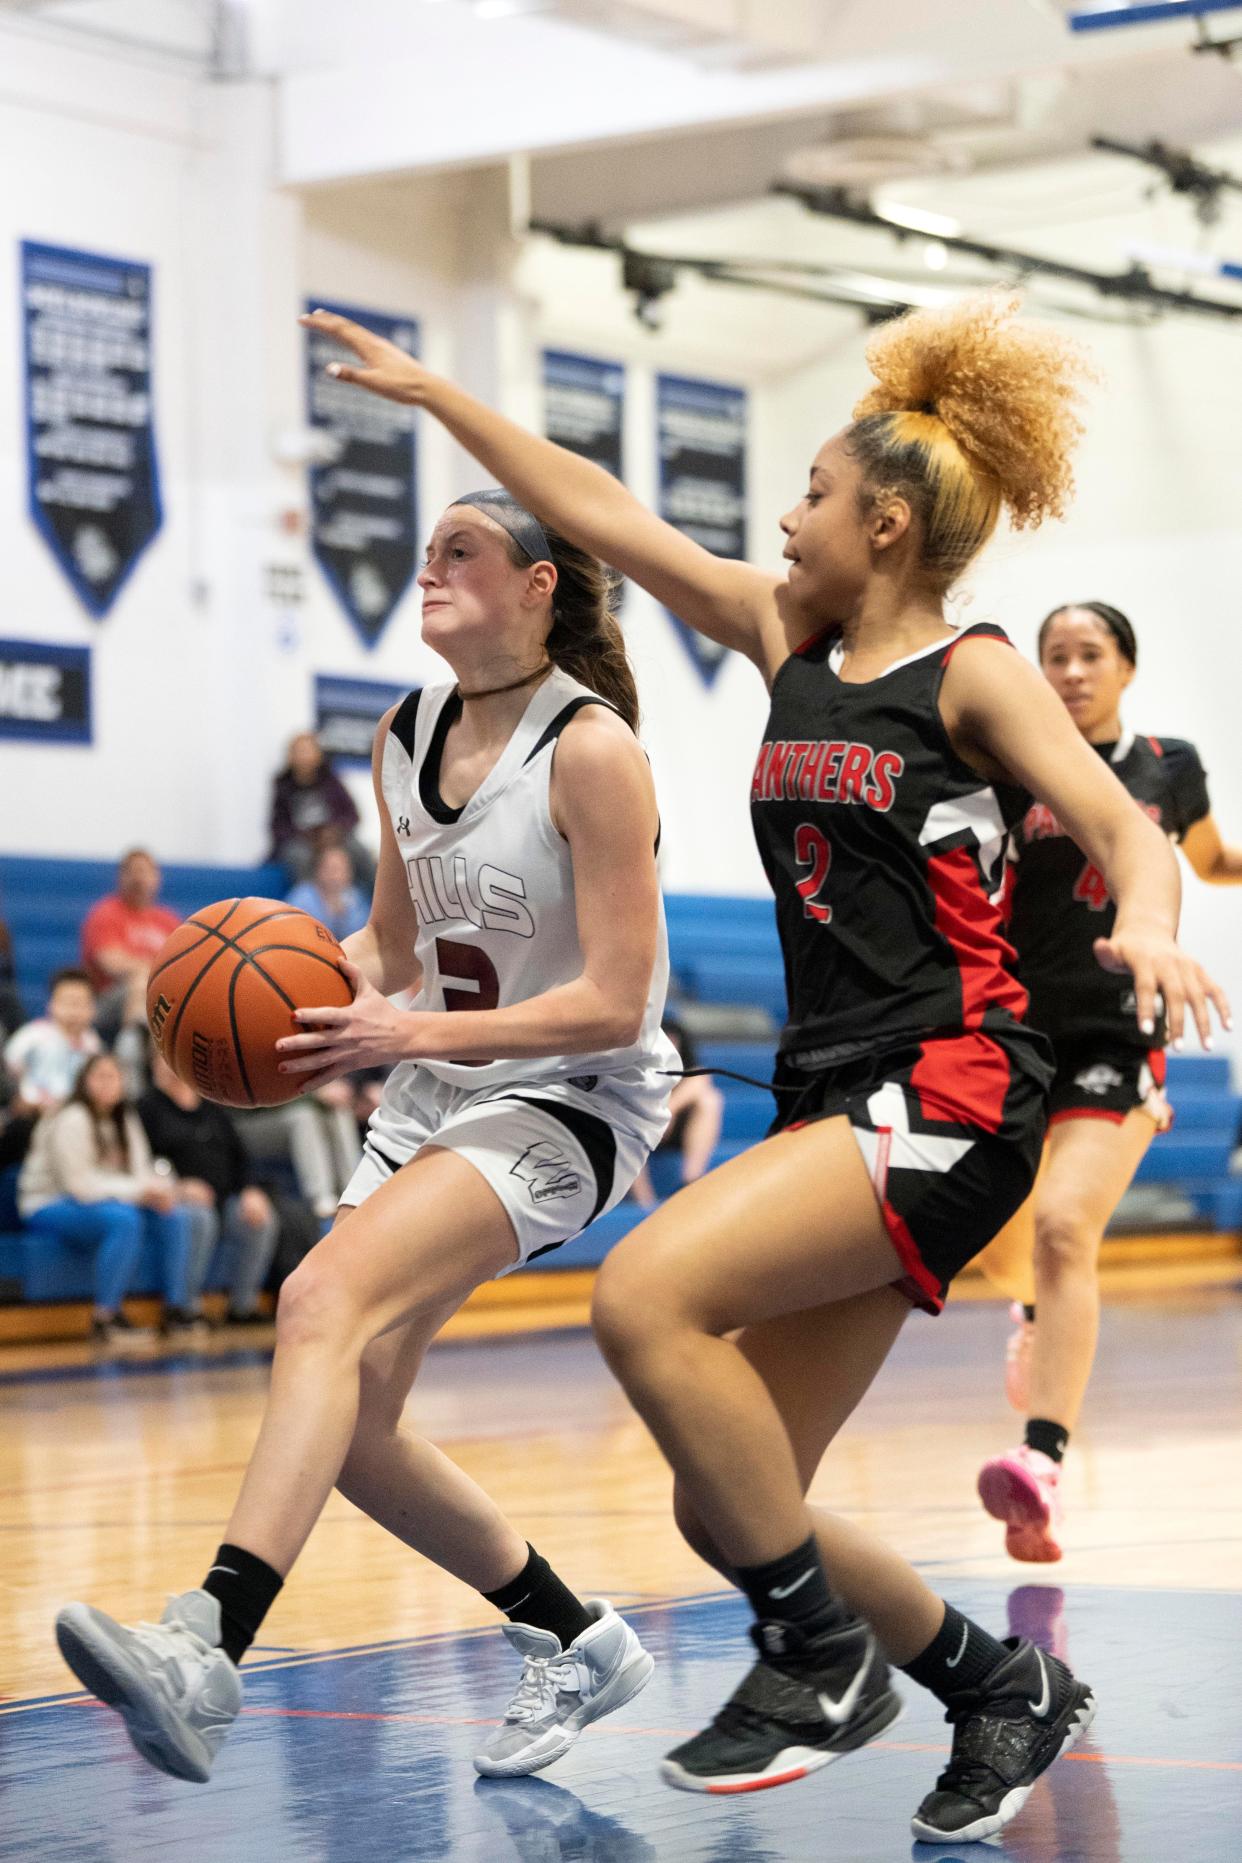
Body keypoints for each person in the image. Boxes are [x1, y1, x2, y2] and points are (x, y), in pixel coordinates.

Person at [270, 297, 1230, 1844]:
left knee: (640, 1296)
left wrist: (1151, 927)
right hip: (835, 1091)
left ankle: (815, 1657)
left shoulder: (972, 673)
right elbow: (602, 514)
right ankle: (997, 1687)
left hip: (954, 1078)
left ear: (887, 522)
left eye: (809, 498)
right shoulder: (791, 638)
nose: (783, 522)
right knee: (726, 1495)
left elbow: (1124, 831)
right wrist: (440, 392)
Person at [56, 458, 677, 1788]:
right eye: (426, 551)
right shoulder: (402, 732)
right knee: (351, 1421)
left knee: (315, 1299)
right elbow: (389, 946)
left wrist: (410, 1033)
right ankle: (574, 1634)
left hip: (569, 1097)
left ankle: (204, 1643)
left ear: (535, 584)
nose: (428, 566)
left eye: (461, 549)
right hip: (434, 1083)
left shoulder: (595, 750)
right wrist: (235, 1012)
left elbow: (617, 1000)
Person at [974, 601, 1242, 1562]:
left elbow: (1208, 862)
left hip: (1119, 1031)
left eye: (1091, 655)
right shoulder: (1007, 770)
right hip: (1012, 1032)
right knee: (998, 1234)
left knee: (1062, 1226)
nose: (1073, 671)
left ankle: (1039, 1465)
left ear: (1126, 667)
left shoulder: (1168, 764)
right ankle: (1036, 1318)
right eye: (1056, 657)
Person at [18, 1052, 196, 1344]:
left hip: (106, 1200)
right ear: (84, 1081)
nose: (107, 1083)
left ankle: (176, 1309)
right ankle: (105, 1318)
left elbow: (141, 1171)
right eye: (99, 1076)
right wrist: (140, 1192)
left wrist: (160, 1191)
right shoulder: (71, 1117)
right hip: (48, 1204)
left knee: (173, 1215)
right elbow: (79, 1186)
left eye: (113, 1076)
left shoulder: (125, 1116)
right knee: (124, 1220)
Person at [138, 1054, 280, 1328]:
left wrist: (250, 1190)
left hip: (223, 1197)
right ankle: (183, 1308)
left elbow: (240, 1156)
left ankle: (242, 1306)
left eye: (172, 1058)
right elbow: (143, 1159)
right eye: (160, 1060)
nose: (167, 1066)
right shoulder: (147, 1108)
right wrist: (178, 1187)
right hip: (175, 1197)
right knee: (200, 1217)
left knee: (260, 1219)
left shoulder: (212, 1107)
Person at [79, 850, 180, 1042]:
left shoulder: (168, 920)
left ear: (157, 878)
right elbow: (111, 964)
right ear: (121, 878)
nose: (138, 879)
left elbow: (184, 968)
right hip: (107, 1000)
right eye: (132, 872)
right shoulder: (106, 913)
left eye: (144, 872)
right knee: (141, 980)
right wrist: (154, 970)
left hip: (162, 996)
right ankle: (134, 1043)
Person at [629, 1018, 723, 1207]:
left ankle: (690, 1183)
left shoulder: (693, 1073)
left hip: (672, 1131)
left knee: (710, 1100)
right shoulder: (634, 1071)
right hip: (640, 1131)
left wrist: (668, 1111)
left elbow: (701, 1081)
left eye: (673, 1041)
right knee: (626, 1121)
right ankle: (644, 1204)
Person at [268, 731, 373, 886]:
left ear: (318, 754)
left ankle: (374, 899)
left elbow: (352, 815)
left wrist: (334, 832)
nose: (304, 757)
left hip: (334, 836)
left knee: (359, 851)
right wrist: (307, 836)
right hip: (300, 841)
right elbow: (278, 826)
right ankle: (312, 902)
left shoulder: (332, 781)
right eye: (299, 751)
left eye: (308, 750)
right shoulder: (282, 785)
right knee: (299, 856)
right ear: (290, 756)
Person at [4, 969, 101, 1110]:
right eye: (67, 1002)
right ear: (51, 1005)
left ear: (93, 1009)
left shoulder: (94, 1045)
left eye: (80, 1003)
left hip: (76, 1116)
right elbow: (8, 1070)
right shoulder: (31, 1036)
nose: (73, 1011)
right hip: (32, 1112)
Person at [286, 840, 370, 943]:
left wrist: (342, 916)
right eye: (330, 869)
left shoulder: (355, 897)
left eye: (341, 869)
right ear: (317, 870)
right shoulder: (302, 896)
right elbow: (291, 931)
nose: (335, 875)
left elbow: (363, 935)